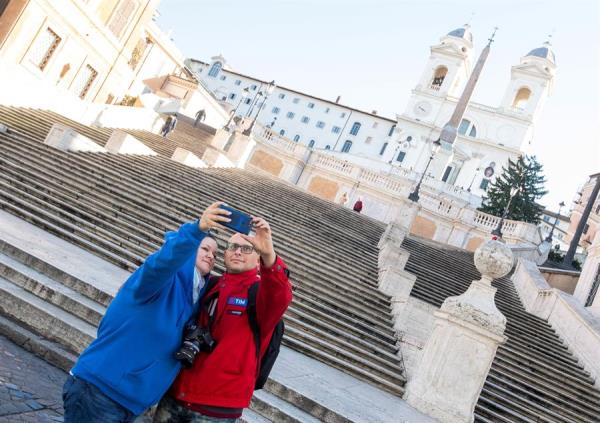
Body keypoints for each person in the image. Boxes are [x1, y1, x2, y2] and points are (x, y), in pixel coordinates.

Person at [62, 202, 231, 422]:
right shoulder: (157, 281)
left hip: (130, 403)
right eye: (205, 249)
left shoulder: (195, 297)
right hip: (98, 391)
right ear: (190, 249)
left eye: (215, 254)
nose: (211, 255)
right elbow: (162, 263)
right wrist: (197, 230)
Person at [153, 216, 293, 422]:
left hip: (217, 407)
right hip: (177, 394)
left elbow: (280, 294)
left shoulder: (261, 294)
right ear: (225, 253)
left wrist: (270, 256)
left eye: (247, 249)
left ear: (258, 259)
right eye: (233, 246)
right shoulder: (209, 284)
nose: (238, 251)